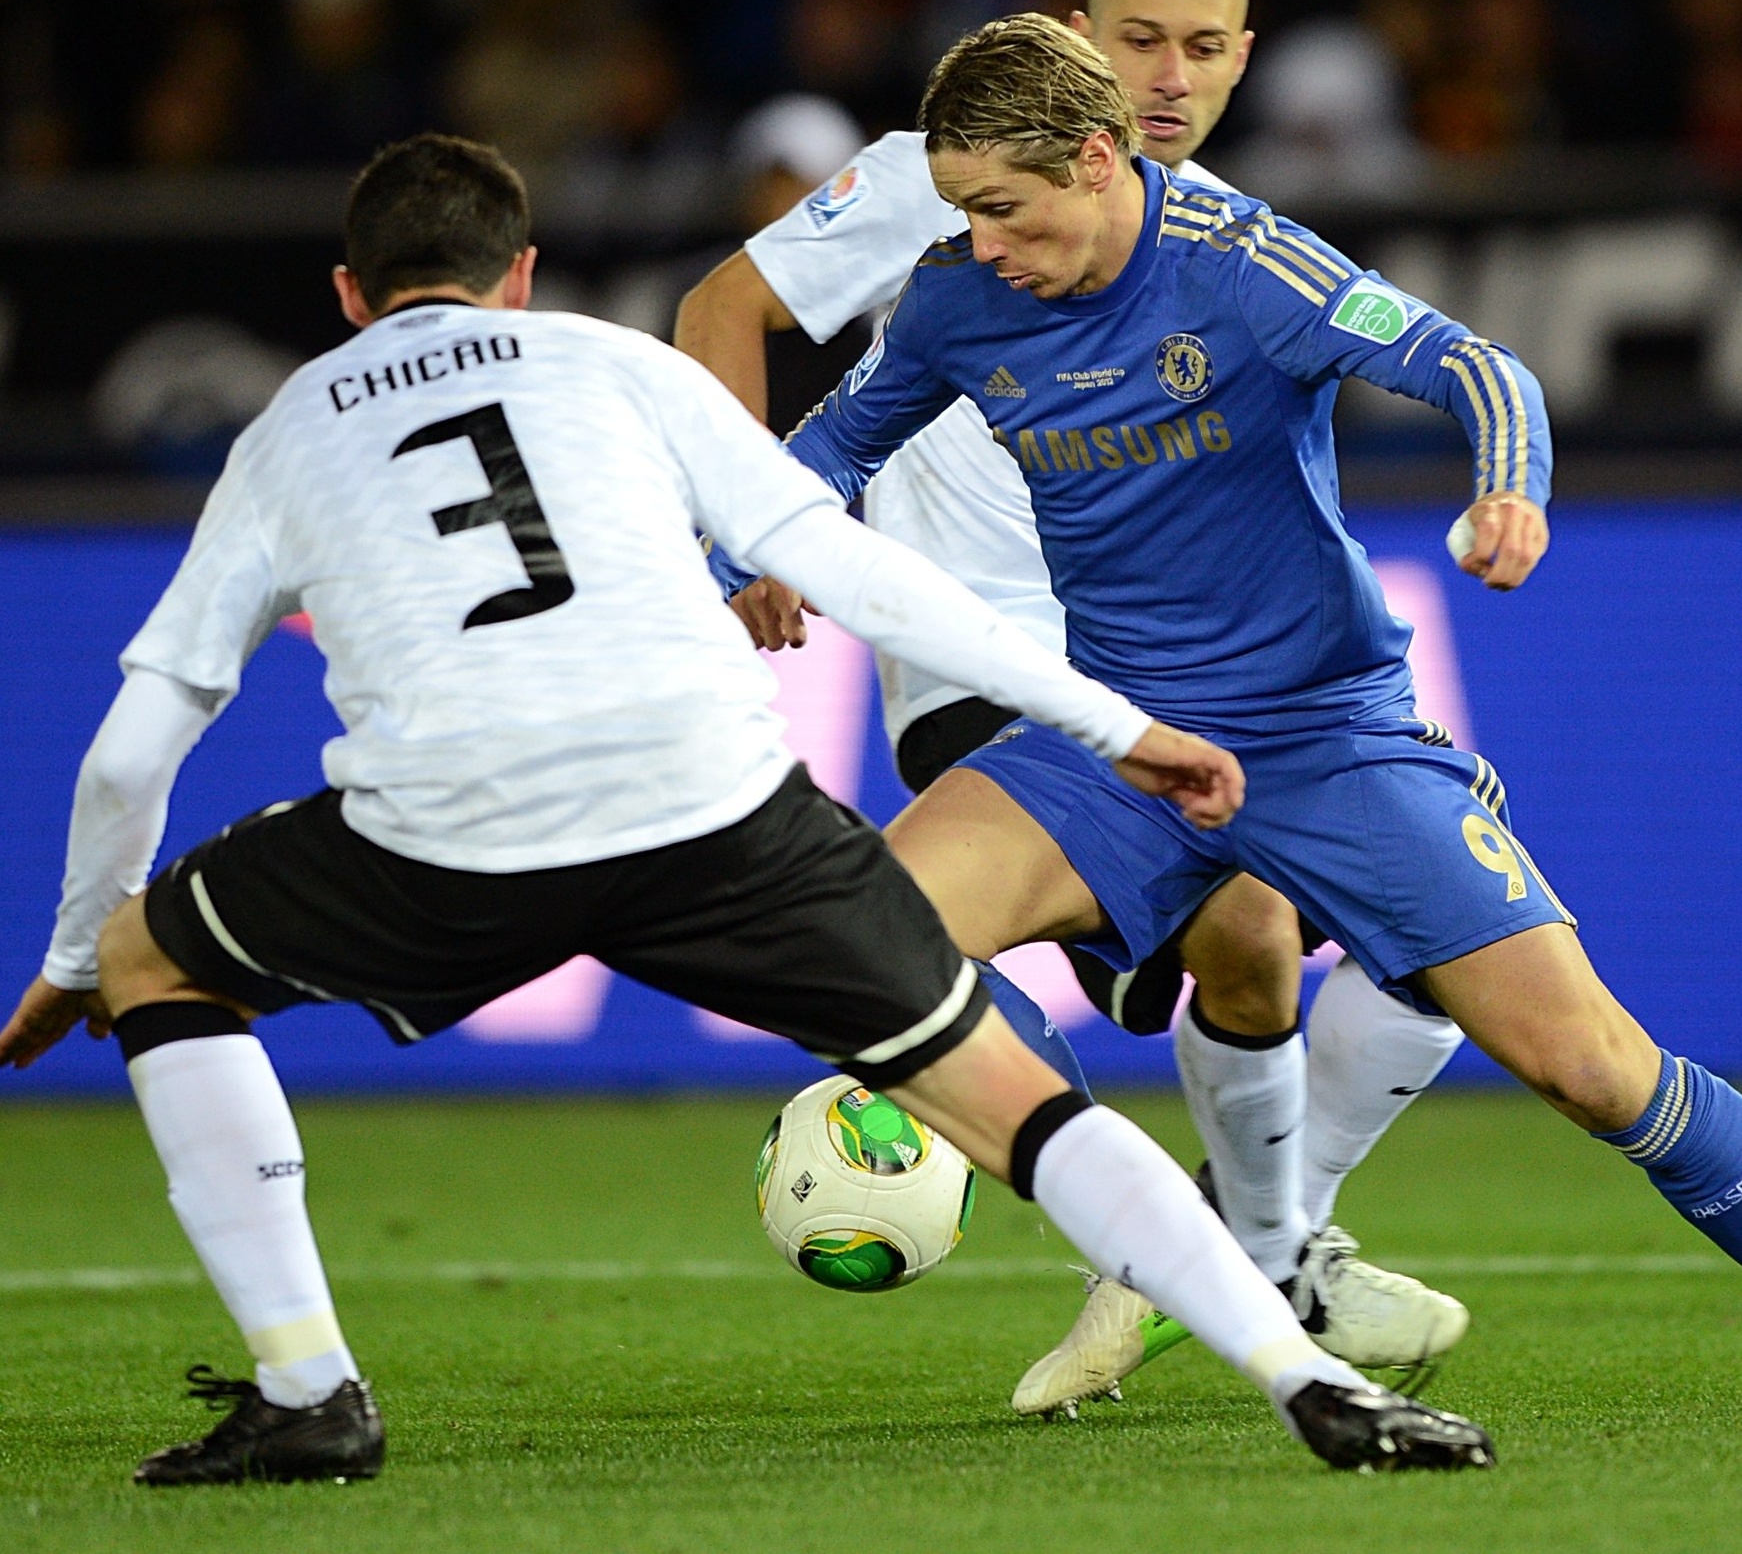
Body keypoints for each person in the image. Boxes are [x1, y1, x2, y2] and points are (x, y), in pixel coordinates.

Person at [0, 134, 1494, 1484]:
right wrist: (1119, 726)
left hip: (453, 828)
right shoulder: (614, 364)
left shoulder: (287, 431)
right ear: (518, 275)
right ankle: (1307, 1382)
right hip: (714, 807)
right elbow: (853, 569)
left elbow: (139, 742)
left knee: (154, 957)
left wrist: (78, 956)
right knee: (1017, 1107)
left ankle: (309, 1392)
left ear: (347, 292)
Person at [716, 18, 1742, 1352]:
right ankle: (1140, 1232)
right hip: (1115, 740)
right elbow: (834, 444)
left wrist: (1508, 494)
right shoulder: (958, 299)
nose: (981, 245)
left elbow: (1474, 367)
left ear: (1094, 162)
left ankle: (1213, 1241)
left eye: (1004, 212)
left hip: (1322, 735)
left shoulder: (1245, 267)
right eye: (964, 212)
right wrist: (757, 543)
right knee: (866, 949)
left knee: (1593, 1071)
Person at [677, 0, 1467, 1415]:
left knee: (1278, 950)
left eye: (1203, 47)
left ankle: (1246, 1241)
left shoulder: (1215, 228)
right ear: (1073, 29)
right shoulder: (939, 170)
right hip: (985, 651)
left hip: (1172, 660)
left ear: (1244, 56)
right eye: (1138, 38)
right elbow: (727, 307)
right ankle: (1208, 1235)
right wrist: (759, 528)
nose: (1167, 77)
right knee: (1159, 919)